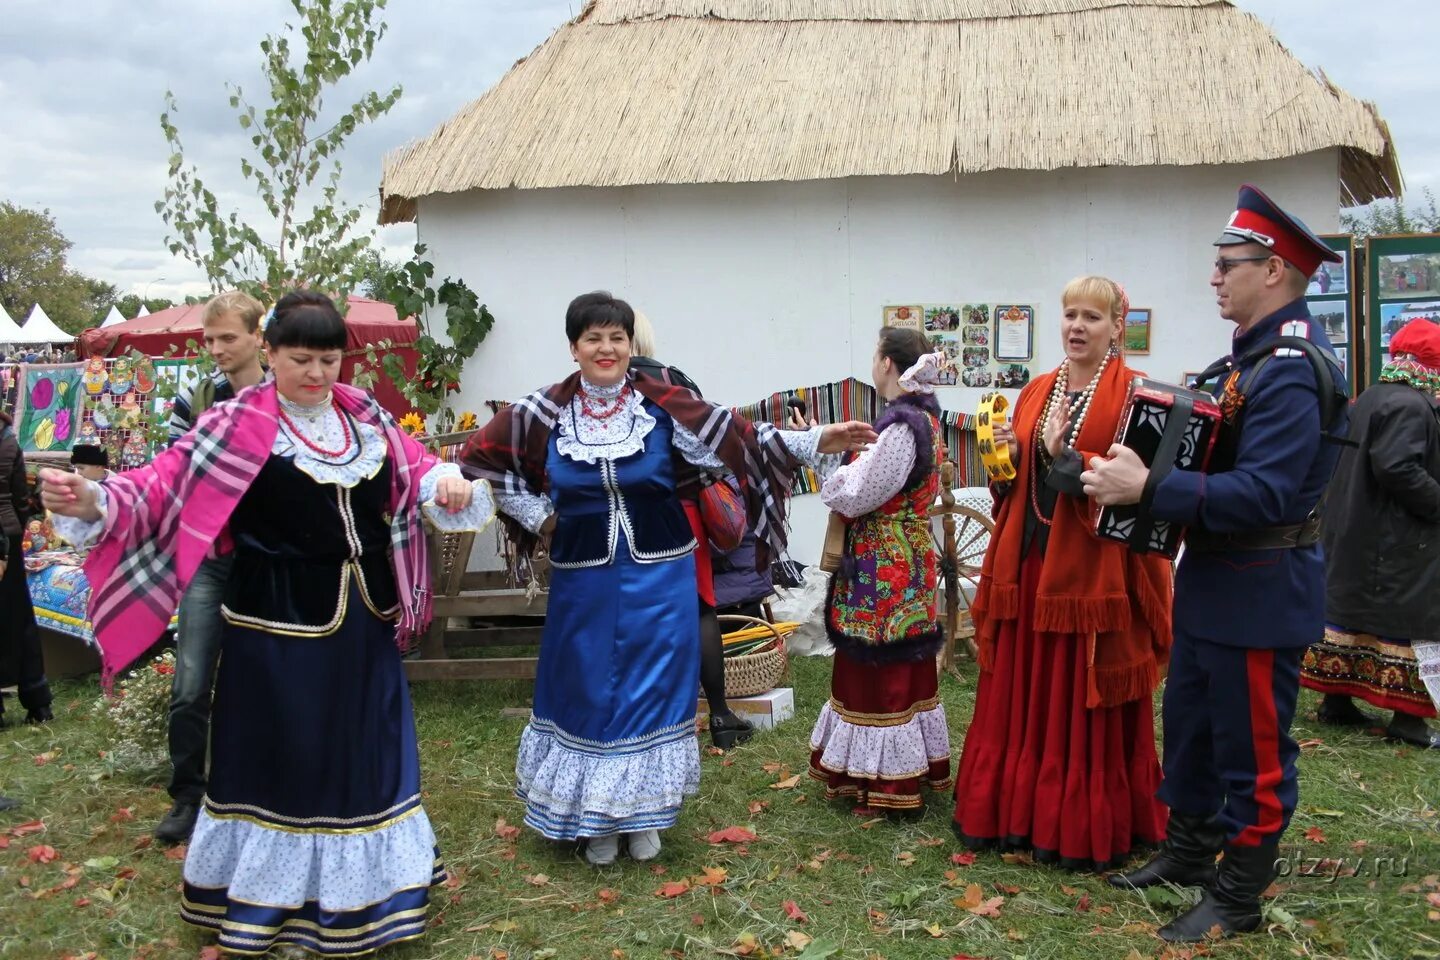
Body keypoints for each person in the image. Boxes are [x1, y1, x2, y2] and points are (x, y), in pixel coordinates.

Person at [41, 291, 493, 956]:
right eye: (302, 359)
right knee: (289, 759)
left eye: (330, 359)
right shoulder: (235, 424)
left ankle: (370, 897)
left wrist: (446, 484)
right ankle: (276, 904)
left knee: (362, 753)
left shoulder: (364, 416)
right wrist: (93, 498)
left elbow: (415, 471)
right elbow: (160, 484)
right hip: (274, 627)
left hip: (364, 621)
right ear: (271, 354)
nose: (317, 373)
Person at [462, 291, 874, 866]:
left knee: (649, 689)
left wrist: (815, 441)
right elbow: (478, 463)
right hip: (584, 582)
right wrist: (542, 516)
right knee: (587, 688)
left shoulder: (661, 409)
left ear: (631, 346)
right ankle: (598, 822)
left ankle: (641, 815)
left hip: (661, 576)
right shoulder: (542, 414)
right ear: (574, 347)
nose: (606, 348)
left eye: (617, 338)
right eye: (593, 338)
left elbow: (738, 439)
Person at [1083, 185, 1350, 941]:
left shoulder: (1290, 368)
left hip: (1261, 591)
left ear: (1273, 271)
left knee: (1254, 751)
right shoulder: (1252, 360)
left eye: (1227, 264)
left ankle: (1236, 898)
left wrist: (1152, 486)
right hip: (1216, 584)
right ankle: (1190, 854)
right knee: (1196, 729)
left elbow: (1265, 494)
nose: (1214, 277)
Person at [952, 278, 1173, 867]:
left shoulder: (1137, 398)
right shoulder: (1036, 392)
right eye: (1070, 315)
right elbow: (1008, 489)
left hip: (1093, 580)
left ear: (1116, 328)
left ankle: (1076, 823)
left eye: (1092, 318)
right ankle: (1012, 812)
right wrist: (1010, 457)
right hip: (1028, 567)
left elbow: (1141, 489)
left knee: (1077, 705)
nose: (1077, 327)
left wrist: (1064, 459)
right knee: (1021, 697)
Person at [808, 330, 955, 814]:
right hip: (905, 556)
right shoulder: (924, 420)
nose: (873, 364)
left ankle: (885, 781)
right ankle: (896, 769)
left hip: (883, 565)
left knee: (879, 660)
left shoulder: (901, 427)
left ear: (888, 364)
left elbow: (856, 494)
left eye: (875, 356)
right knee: (899, 658)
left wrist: (836, 479)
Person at [155, 290, 268, 843]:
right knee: (192, 679)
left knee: (265, 678)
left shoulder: (284, 394)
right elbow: (176, 474)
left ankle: (252, 787)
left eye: (228, 338)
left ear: (257, 337)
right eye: (210, 340)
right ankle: (185, 794)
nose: (218, 349)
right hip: (209, 559)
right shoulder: (196, 398)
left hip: (268, 561)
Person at [1304, 318, 1440, 748]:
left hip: (1358, 527)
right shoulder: (1412, 405)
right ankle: (1408, 719)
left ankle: (1337, 702)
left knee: (1352, 614)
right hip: (1396, 537)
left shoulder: (1375, 396)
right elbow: (1397, 466)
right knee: (1410, 619)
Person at [629, 311, 754, 749]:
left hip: (619, 518)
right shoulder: (671, 380)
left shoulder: (594, 390)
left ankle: (646, 720)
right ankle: (719, 716)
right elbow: (712, 448)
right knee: (701, 611)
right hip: (681, 513)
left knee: (635, 616)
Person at [0, 409, 52, 726]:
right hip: (9, 533)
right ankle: (37, 701)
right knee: (19, 619)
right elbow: (20, 496)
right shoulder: (9, 440)